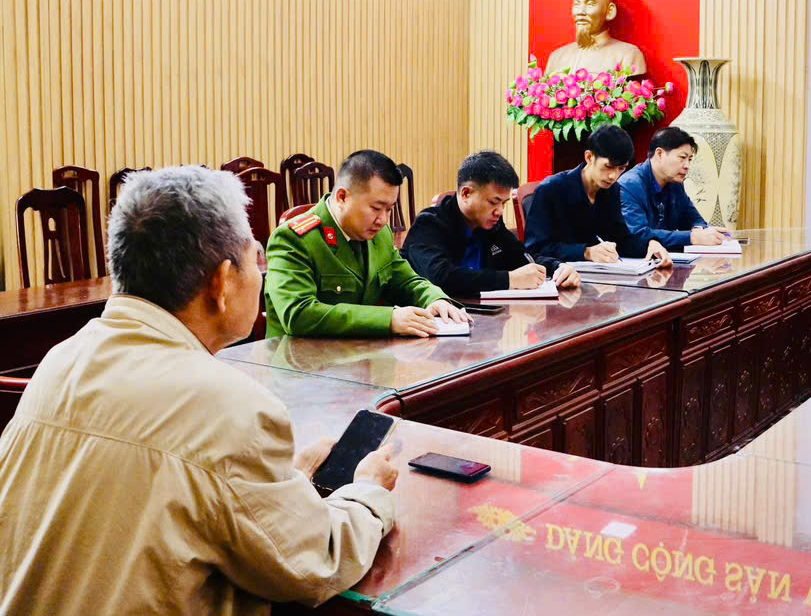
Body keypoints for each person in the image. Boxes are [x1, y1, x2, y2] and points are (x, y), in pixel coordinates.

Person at [0, 167, 398, 614]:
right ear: (221, 282)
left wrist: (292, 478)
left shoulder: (62, 360)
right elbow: (315, 564)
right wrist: (368, 492)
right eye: (255, 260)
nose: (260, 277)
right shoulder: (231, 407)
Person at [265, 149, 468, 338]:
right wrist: (388, 319)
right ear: (342, 197)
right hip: (300, 360)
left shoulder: (380, 235)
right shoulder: (294, 238)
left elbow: (405, 281)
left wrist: (434, 299)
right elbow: (298, 314)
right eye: (376, 208)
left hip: (360, 355)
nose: (383, 220)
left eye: (389, 209)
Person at [401, 150, 581, 299]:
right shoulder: (429, 224)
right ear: (466, 194)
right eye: (493, 202)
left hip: (484, 317)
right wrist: (510, 279)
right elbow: (442, 277)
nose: (499, 211)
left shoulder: (492, 225)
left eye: (503, 203)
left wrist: (558, 268)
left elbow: (523, 257)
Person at [524, 125, 672, 266]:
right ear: (589, 157)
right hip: (558, 275)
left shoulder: (612, 190)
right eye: (608, 167)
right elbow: (535, 249)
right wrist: (586, 252)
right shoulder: (551, 189)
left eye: (621, 168)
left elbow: (621, 239)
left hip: (599, 275)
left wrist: (649, 244)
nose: (613, 176)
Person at [618, 126, 729, 251]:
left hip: (667, 259)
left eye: (690, 159)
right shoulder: (630, 185)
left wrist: (701, 232)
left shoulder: (675, 183)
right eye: (682, 157)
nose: (687, 166)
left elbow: (695, 220)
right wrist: (692, 237)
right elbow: (638, 235)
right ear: (659, 154)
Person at [545, 0, 647, 76]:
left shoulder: (627, 55)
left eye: (590, 4)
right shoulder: (557, 57)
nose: (580, 12)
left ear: (609, 11)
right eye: (576, 4)